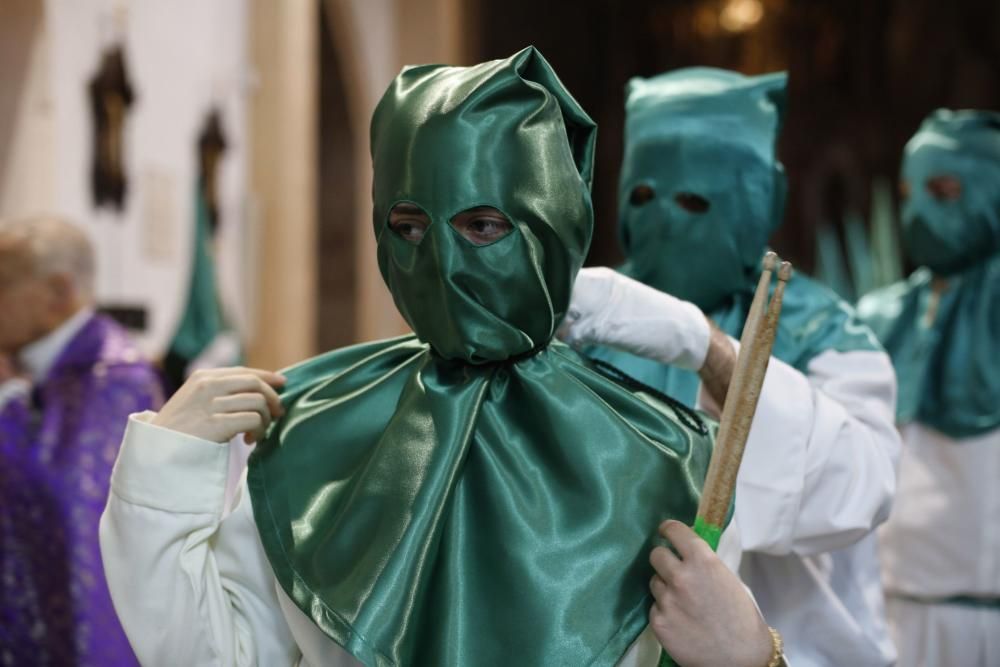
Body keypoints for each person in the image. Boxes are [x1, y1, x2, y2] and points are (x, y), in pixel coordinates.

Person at [99, 48, 784, 667]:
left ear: (551, 224)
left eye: (483, 225)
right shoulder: (313, 426)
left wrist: (750, 658)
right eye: (409, 226)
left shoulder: (669, 457)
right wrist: (166, 468)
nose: (445, 264)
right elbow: (223, 654)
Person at [561, 68, 900, 666]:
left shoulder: (824, 333)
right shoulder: (588, 318)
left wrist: (702, 345)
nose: (666, 218)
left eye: (697, 200)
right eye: (643, 195)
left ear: (763, 197)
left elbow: (861, 486)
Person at [858, 109, 1000, 666]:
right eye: (908, 192)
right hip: (894, 610)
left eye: (944, 190)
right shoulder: (878, 319)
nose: (919, 211)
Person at [0, 215, 162, 664]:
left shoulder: (113, 377)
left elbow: (63, 500)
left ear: (58, 291)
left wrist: (8, 406)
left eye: (3, 283)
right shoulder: (34, 367)